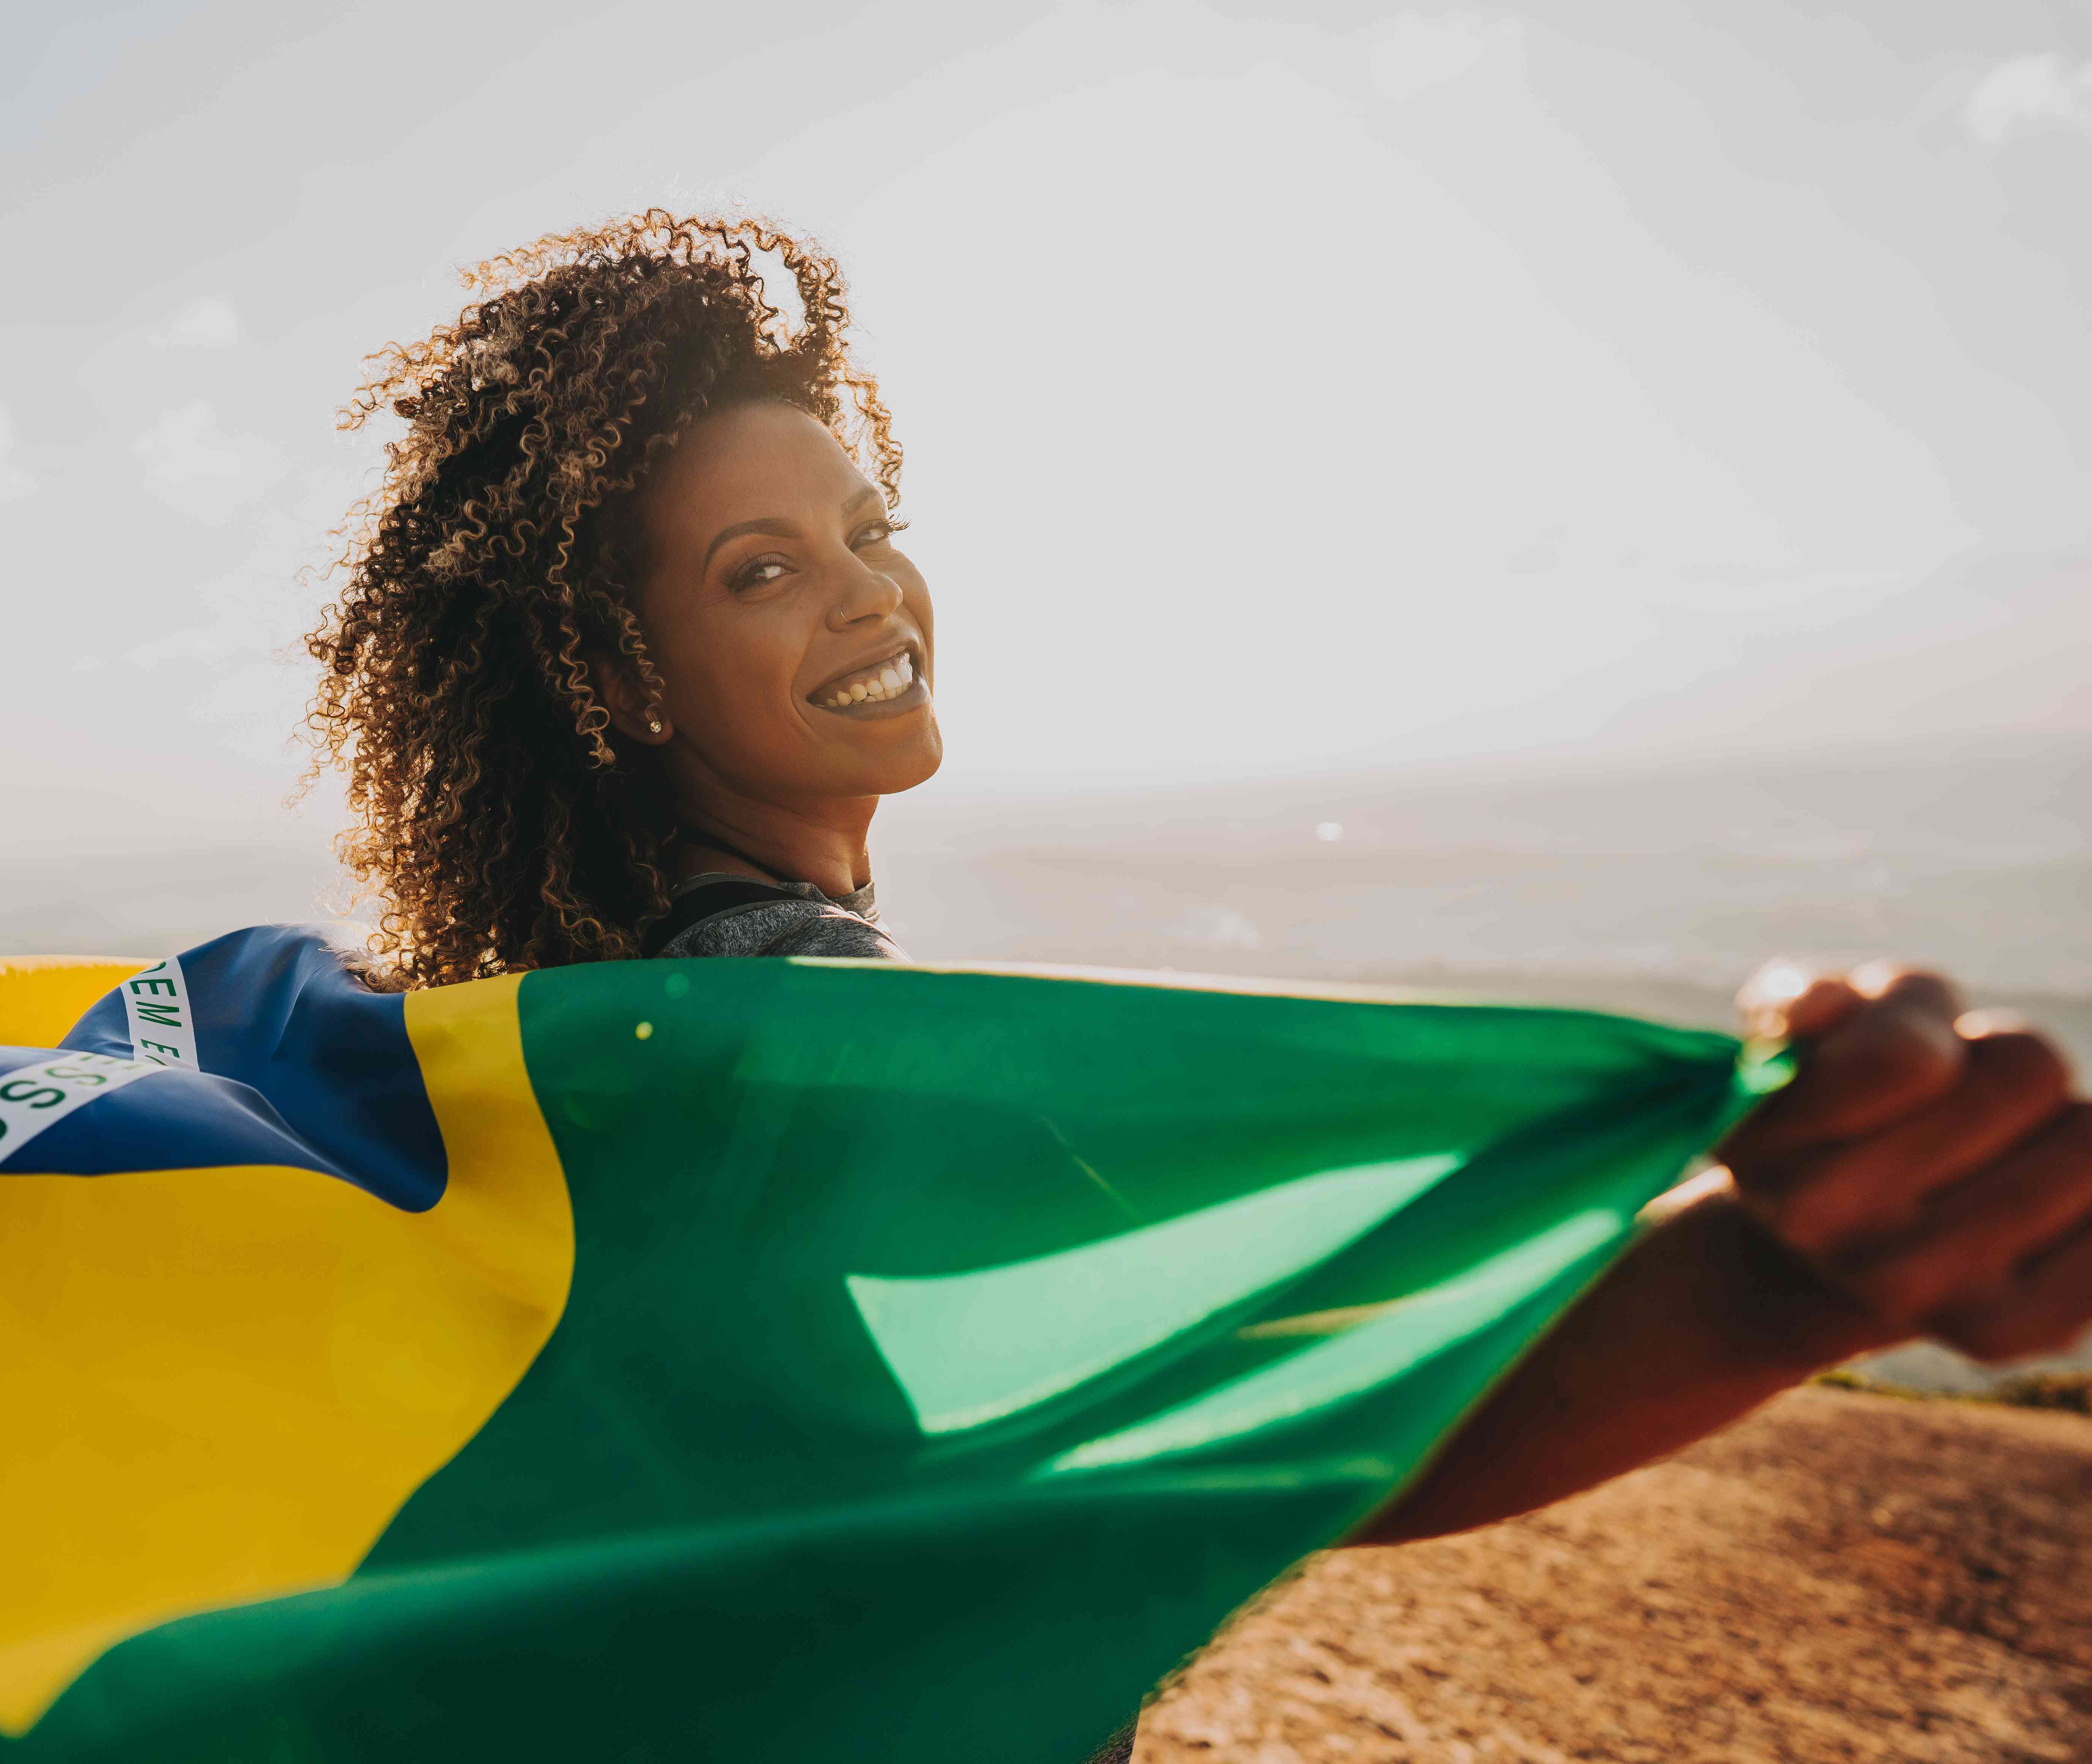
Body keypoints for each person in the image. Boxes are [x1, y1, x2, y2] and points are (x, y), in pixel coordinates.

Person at [304, 209, 2092, 1717]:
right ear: (615, 678)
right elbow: (1227, 1401)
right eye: (763, 568)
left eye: (870, 528)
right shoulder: (804, 1031)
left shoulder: (590, 1008)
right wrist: (1779, 1283)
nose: (867, 592)